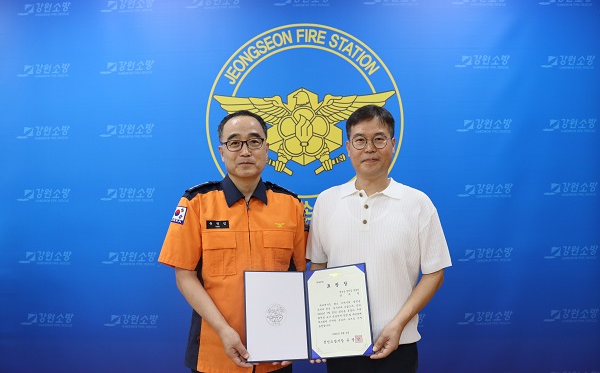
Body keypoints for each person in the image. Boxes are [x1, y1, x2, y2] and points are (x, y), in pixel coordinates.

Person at [158, 110, 307, 373]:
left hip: (275, 353)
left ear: (267, 148)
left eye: (254, 142)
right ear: (222, 151)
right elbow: (185, 276)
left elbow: (300, 277)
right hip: (215, 351)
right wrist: (224, 330)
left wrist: (296, 334)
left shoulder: (291, 206)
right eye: (235, 143)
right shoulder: (197, 203)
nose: (245, 151)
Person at [306, 105, 452, 373]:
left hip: (399, 344)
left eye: (379, 139)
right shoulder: (326, 201)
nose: (369, 148)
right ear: (348, 147)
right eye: (360, 140)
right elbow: (318, 268)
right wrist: (319, 332)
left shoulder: (417, 202)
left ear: (393, 144)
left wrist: (397, 325)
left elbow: (435, 273)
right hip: (341, 346)